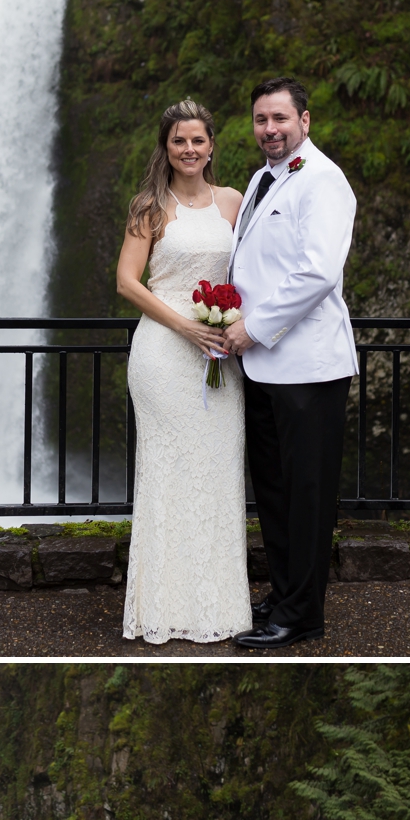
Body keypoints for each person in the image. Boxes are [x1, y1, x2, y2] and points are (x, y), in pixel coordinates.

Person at [223, 76, 359, 650]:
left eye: (280, 119)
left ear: (306, 120)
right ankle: (283, 594)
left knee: (306, 496)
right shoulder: (260, 180)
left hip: (308, 369)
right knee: (275, 493)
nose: (270, 130)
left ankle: (302, 615)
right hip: (262, 369)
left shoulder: (324, 181)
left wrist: (251, 327)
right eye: (261, 120)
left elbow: (317, 272)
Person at [116, 98, 253, 644]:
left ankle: (216, 607)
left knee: (218, 475)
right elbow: (128, 282)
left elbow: (253, 269)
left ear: (212, 144)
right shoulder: (149, 206)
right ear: (166, 148)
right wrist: (186, 327)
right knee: (167, 475)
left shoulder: (233, 202)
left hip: (219, 353)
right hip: (164, 356)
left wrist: (235, 321)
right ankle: (162, 606)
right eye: (179, 141)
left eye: (198, 140)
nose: (189, 149)